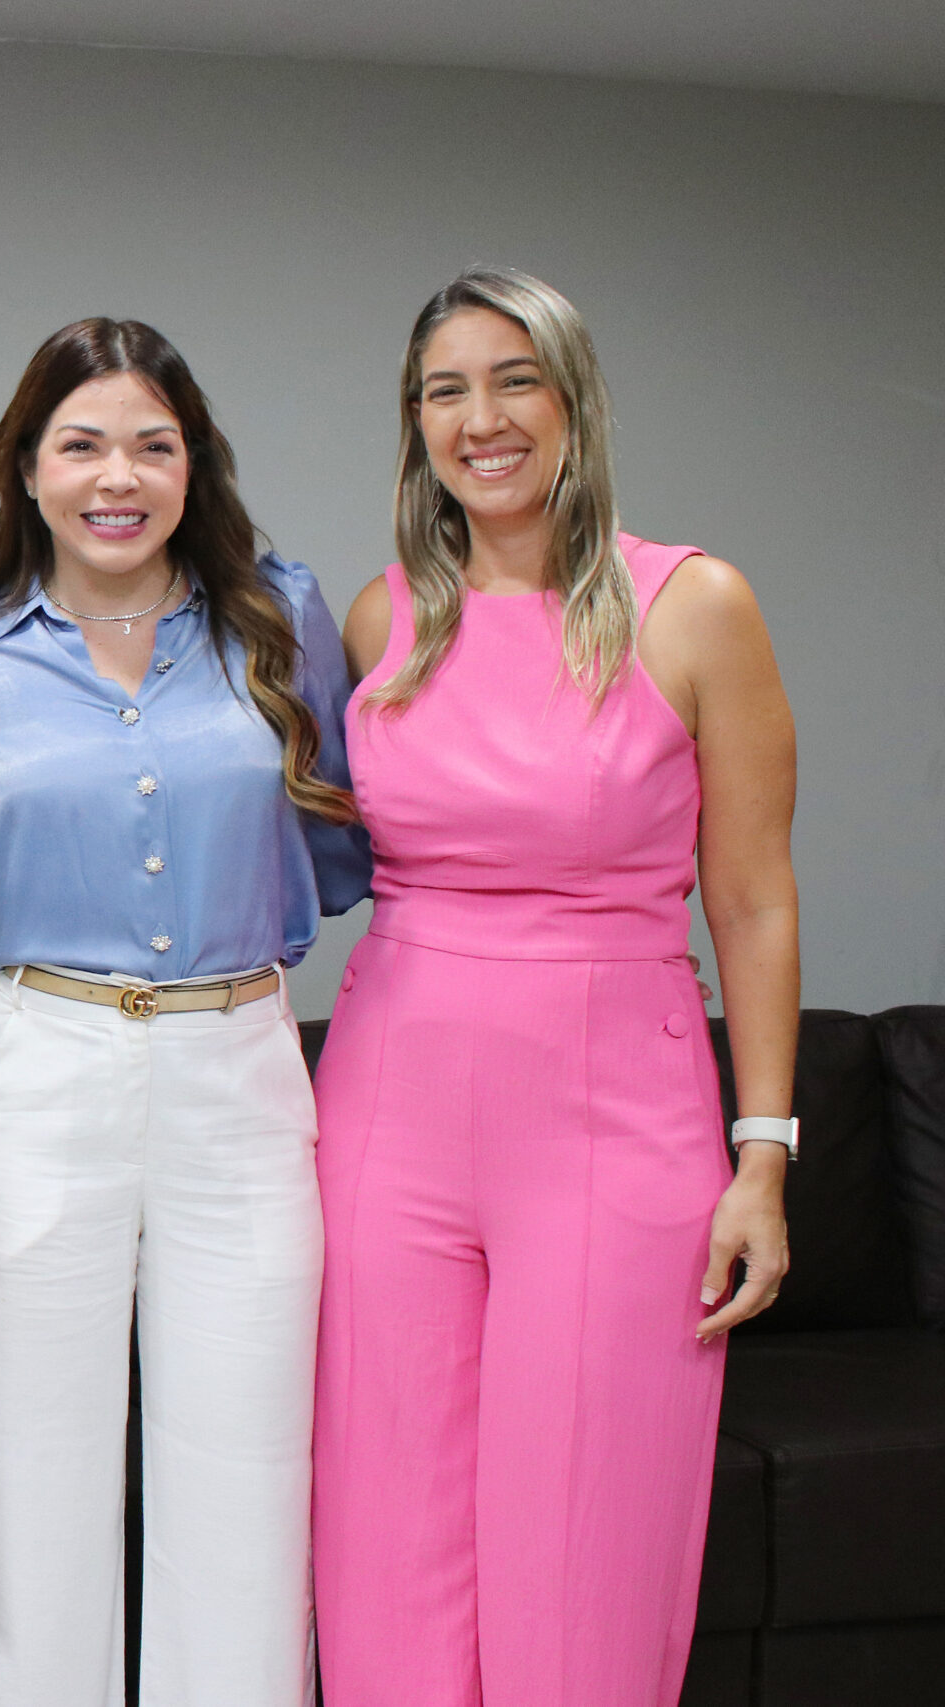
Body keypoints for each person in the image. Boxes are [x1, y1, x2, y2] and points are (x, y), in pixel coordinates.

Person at [312, 268, 798, 1706]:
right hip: (390, 1113)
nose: (483, 418)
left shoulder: (694, 604)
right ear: (416, 429)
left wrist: (761, 1160)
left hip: (611, 1119)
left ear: (575, 401)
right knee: (384, 1537)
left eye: (515, 378)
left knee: (586, 1543)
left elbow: (755, 899)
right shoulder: (378, 619)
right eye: (445, 390)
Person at [0, 318, 369, 1706]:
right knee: (24, 1465)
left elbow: (349, 854)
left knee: (247, 1462)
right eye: (82, 444)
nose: (120, 475)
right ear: (28, 472)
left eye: (153, 445)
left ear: (194, 466)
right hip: (49, 1062)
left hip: (243, 1063)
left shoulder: (280, 618)